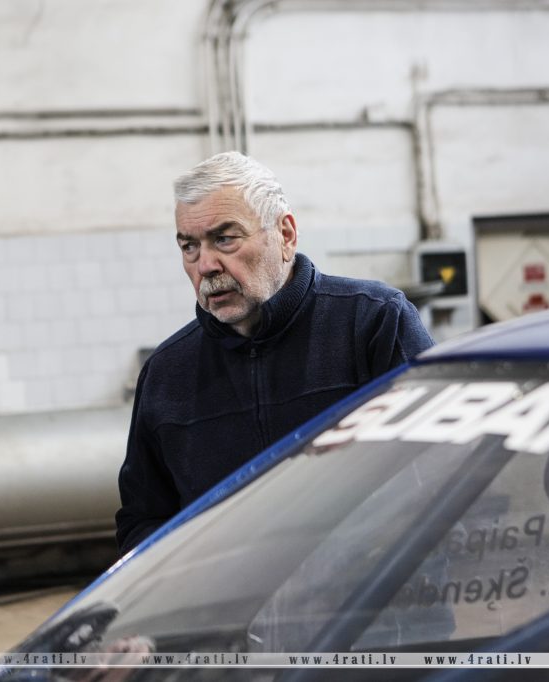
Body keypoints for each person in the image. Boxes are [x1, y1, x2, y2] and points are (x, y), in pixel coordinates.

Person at [115, 151, 435, 554]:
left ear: (285, 235)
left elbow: (440, 471)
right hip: (234, 595)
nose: (206, 265)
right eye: (189, 246)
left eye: (225, 238)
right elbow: (143, 522)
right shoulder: (166, 374)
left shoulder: (373, 324)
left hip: (377, 590)